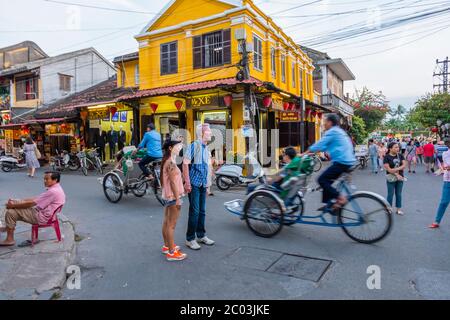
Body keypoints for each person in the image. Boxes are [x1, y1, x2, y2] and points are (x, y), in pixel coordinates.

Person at [302, 113, 356, 212]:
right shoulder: (339, 131)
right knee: (327, 181)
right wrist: (312, 153)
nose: (323, 124)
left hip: (342, 162)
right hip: (347, 161)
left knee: (322, 180)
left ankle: (340, 198)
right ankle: (329, 203)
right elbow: (323, 147)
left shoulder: (333, 131)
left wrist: (304, 154)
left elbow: (319, 144)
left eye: (325, 122)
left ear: (330, 122)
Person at [0, 171, 66, 246]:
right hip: (44, 213)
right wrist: (18, 201)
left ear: (55, 180)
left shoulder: (53, 191)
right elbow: (36, 199)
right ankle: (8, 227)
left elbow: (31, 204)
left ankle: (9, 239)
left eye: (47, 179)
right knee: (14, 204)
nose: (44, 181)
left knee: (11, 213)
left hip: (41, 217)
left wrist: (13, 205)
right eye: (44, 179)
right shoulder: (56, 188)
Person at [183, 123, 215, 250]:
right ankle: (190, 239)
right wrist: (187, 182)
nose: (211, 133)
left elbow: (206, 167)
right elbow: (185, 164)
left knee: (202, 211)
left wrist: (207, 186)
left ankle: (201, 235)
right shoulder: (194, 145)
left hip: (202, 184)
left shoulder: (205, 147)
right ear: (201, 133)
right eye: (208, 131)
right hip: (194, 184)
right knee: (194, 212)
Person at [160, 139, 187, 261]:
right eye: (177, 146)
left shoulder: (168, 160)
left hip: (168, 195)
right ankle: (171, 253)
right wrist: (177, 199)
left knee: (167, 222)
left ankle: (167, 246)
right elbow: (172, 182)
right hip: (172, 196)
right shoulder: (170, 162)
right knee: (171, 225)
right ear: (171, 148)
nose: (180, 148)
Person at [429, 138, 450, 228]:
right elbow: (446, 166)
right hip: (448, 180)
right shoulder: (445, 154)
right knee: (444, 202)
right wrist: (444, 168)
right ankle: (437, 221)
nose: (448, 144)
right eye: (447, 143)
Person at [384, 142, 407, 215]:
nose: (398, 149)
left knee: (399, 194)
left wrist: (397, 169)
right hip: (391, 178)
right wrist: (397, 174)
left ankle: (398, 209)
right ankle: (389, 209)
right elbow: (388, 169)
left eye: (398, 147)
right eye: (395, 147)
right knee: (390, 194)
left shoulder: (400, 155)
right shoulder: (386, 157)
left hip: (400, 177)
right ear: (390, 148)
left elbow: (404, 165)